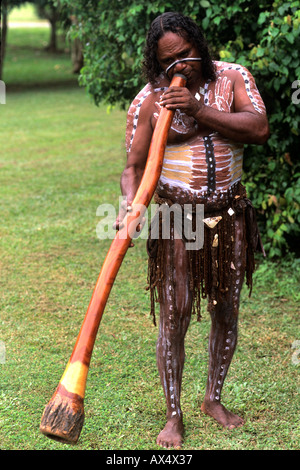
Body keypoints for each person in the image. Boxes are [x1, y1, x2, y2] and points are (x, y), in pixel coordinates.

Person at [115, 12, 269, 449]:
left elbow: (258, 129)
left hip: (230, 213)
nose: (179, 67)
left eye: (185, 55)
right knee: (175, 314)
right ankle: (173, 415)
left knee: (227, 310)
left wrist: (199, 110)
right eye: (169, 63)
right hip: (176, 220)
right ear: (156, 65)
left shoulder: (233, 79)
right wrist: (132, 202)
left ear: (199, 45)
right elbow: (133, 168)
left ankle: (213, 400)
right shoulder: (148, 100)